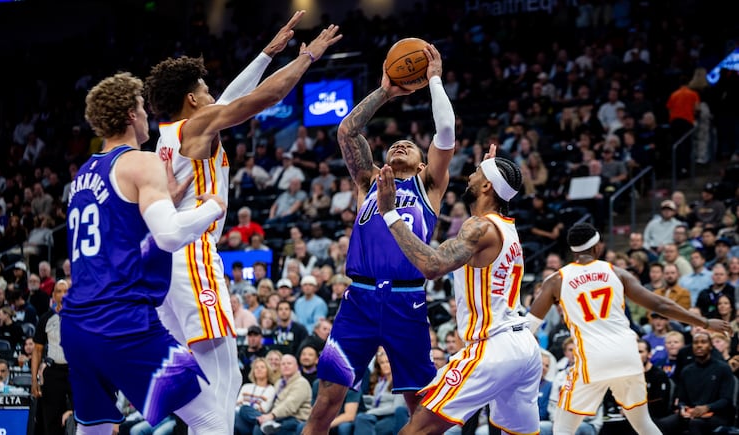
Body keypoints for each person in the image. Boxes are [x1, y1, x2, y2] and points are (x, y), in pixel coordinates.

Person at [144, 13, 341, 434]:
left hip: (164, 262)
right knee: (222, 377)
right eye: (205, 90)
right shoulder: (198, 125)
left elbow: (229, 99)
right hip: (192, 253)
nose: (212, 95)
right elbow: (263, 98)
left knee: (209, 379)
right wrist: (306, 57)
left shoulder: (168, 135)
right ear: (192, 99)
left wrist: (265, 55)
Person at [61, 72, 227, 433]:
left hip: (76, 326)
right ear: (130, 115)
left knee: (93, 431)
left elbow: (123, 240)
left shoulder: (82, 175)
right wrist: (212, 207)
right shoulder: (142, 161)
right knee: (212, 419)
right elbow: (169, 236)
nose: (147, 113)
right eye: (141, 105)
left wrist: (166, 201)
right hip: (123, 322)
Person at [304, 42, 456, 435]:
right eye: (394, 144)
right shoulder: (368, 180)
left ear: (422, 164)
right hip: (360, 299)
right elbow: (347, 130)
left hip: (408, 300)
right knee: (326, 401)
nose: (400, 144)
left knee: (419, 406)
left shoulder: (429, 185)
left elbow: (445, 131)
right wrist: (386, 91)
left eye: (410, 146)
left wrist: (434, 79)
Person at [373, 145, 541, 434]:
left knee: (417, 429)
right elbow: (496, 194)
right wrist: (491, 172)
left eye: (476, 173)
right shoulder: (506, 227)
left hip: (493, 346)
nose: (469, 176)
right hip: (524, 348)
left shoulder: (480, 227)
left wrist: (389, 213)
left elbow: (432, 265)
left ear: (487, 186)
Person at [527, 222, 732, 435]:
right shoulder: (616, 272)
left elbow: (530, 324)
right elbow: (660, 305)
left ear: (572, 250)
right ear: (597, 247)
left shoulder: (557, 280)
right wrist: (705, 323)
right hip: (628, 355)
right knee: (642, 422)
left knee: (563, 426)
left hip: (592, 357)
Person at [656, 331, 735, 434]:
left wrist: (707, 407)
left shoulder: (723, 368)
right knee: (661, 424)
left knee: (695, 424)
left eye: (703, 342)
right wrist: (682, 408)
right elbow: (682, 399)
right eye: (696, 342)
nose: (699, 345)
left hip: (716, 414)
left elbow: (726, 399)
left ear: (710, 346)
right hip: (691, 413)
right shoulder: (686, 371)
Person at [32, 279, 72, 435]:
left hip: (76, 372)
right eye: (59, 291)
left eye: (66, 291)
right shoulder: (46, 318)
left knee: (81, 419)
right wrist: (34, 380)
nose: (62, 295)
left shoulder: (81, 317)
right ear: (54, 295)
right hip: (53, 372)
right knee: (52, 422)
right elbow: (37, 350)